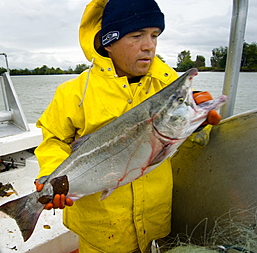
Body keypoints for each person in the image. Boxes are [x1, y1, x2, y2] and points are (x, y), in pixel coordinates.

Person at [34, 0, 221, 252]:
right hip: (100, 227)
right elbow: (52, 141)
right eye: (136, 36)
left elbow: (181, 141)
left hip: (156, 219)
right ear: (109, 42)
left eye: (155, 35)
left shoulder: (166, 84)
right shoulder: (73, 93)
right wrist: (53, 178)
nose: (149, 46)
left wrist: (197, 124)